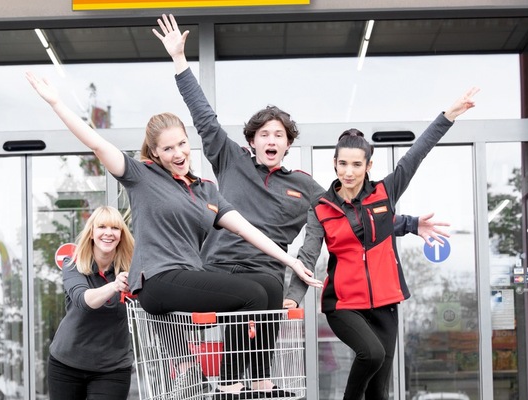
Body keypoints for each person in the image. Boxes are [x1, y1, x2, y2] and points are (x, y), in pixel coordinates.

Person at [153, 14, 451, 397]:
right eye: (264, 134)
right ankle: (224, 380)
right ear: (252, 141)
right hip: (218, 268)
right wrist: (180, 60)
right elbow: (204, 118)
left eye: (279, 134)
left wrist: (408, 224)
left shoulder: (304, 186)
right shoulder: (231, 160)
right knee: (227, 303)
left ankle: (255, 382)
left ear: (288, 144)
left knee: (264, 293)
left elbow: (350, 214)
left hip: (265, 272)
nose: (271, 139)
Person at [26, 71, 322, 400]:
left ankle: (247, 381)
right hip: (157, 281)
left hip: (187, 279)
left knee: (268, 288)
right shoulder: (141, 177)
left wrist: (290, 262)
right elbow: (96, 143)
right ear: (155, 154)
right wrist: (56, 103)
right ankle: (228, 387)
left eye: (182, 144)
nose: (178, 153)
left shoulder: (204, 190)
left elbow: (246, 229)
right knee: (252, 295)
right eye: (168, 149)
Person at [297, 87, 479, 400]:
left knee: (379, 390)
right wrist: (292, 297)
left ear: (368, 166)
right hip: (343, 304)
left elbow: (416, 154)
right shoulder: (322, 208)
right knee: (372, 354)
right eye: (343, 164)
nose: (349, 172)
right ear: (334, 163)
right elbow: (307, 254)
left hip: (385, 304)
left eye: (357, 165)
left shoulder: (385, 193)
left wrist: (448, 116)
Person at [47, 206, 134, 400]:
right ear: (91, 233)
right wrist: (115, 285)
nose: (108, 233)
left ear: (121, 235)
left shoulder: (131, 269)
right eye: (102, 227)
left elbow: (153, 305)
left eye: (115, 228)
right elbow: (84, 300)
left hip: (113, 368)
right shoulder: (73, 264)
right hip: (66, 364)